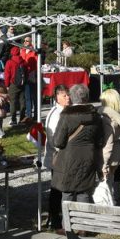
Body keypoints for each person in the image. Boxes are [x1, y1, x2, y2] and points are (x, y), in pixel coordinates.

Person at [52, 83, 105, 212]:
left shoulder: (66, 116)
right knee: (84, 192)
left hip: (68, 158)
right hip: (89, 157)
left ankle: (68, 226)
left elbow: (58, 141)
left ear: (72, 97)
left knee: (68, 192)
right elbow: (100, 140)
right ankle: (83, 227)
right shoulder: (96, 116)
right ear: (86, 97)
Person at [44, 84, 71, 230]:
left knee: (59, 189)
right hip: (58, 157)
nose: (68, 98)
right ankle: (55, 220)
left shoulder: (65, 111)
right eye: (64, 96)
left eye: (68, 95)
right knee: (56, 190)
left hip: (62, 156)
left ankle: (58, 217)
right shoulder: (56, 114)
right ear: (57, 97)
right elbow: (54, 138)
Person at [99, 89, 120, 206]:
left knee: (105, 188)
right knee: (112, 183)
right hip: (118, 155)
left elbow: (108, 144)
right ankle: (115, 199)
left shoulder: (107, 119)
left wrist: (104, 164)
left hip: (108, 157)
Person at [4, 47, 26, 126]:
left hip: (13, 84)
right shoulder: (23, 61)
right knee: (22, 102)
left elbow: (7, 75)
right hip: (22, 84)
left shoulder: (9, 62)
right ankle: (22, 119)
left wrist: (7, 85)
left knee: (12, 103)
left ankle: (13, 120)